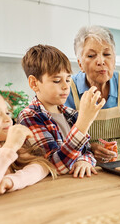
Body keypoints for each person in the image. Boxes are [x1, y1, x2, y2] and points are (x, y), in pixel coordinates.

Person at [65, 25, 120, 162]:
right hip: (85, 168)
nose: (101, 61)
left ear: (114, 60)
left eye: (107, 54)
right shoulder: (69, 89)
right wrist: (89, 147)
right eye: (91, 55)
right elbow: (64, 143)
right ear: (80, 63)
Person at [17, 44, 105, 178]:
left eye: (68, 79)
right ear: (34, 83)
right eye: (57, 80)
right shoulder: (29, 116)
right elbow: (53, 165)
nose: (65, 86)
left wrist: (84, 161)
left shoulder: (71, 114)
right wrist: (84, 122)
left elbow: (87, 151)